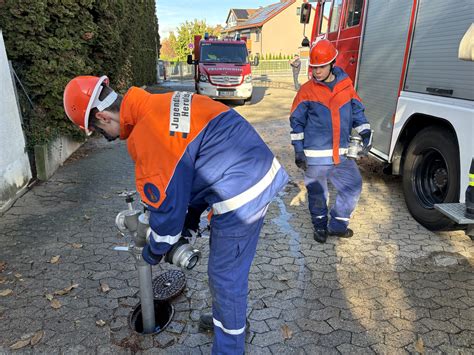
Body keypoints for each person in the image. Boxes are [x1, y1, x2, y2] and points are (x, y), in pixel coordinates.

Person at [63, 76, 288, 354]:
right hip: (246, 166)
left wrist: (154, 250)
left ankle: (229, 344)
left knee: (225, 277)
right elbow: (190, 169)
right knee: (225, 276)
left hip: (243, 189)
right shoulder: (156, 104)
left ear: (103, 116)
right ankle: (227, 321)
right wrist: (189, 223)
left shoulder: (149, 135)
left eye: (97, 131)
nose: (104, 138)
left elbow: (167, 221)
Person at [289, 39, 372, 244]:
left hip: (341, 155)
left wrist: (366, 132)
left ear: (332, 64)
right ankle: (319, 227)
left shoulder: (346, 86)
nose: (316, 71)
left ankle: (337, 226)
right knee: (317, 193)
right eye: (314, 67)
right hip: (315, 156)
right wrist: (299, 151)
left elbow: (357, 112)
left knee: (353, 186)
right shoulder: (307, 91)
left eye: (321, 67)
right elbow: (296, 122)